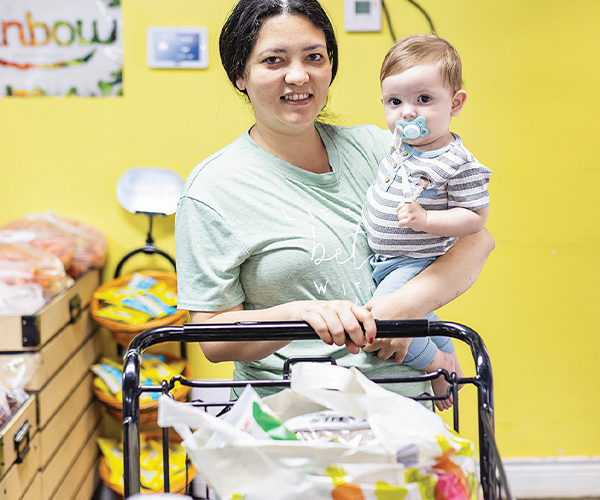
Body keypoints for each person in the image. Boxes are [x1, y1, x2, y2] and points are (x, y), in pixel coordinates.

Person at [174, 0, 494, 404]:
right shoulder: (213, 190)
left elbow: (477, 240)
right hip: (290, 415)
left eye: (314, 57)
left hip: (403, 405)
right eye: (273, 60)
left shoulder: (384, 150)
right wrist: (296, 314)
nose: (298, 75)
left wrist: (397, 314)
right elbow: (213, 339)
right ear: (240, 74)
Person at [362, 34, 492, 409]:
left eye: (423, 100)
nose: (407, 113)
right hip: (385, 260)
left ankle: (437, 366)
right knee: (425, 316)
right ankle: (445, 361)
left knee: (386, 322)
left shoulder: (457, 162)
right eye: (395, 102)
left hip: (415, 262)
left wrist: (426, 220)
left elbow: (475, 218)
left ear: (455, 103)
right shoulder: (402, 143)